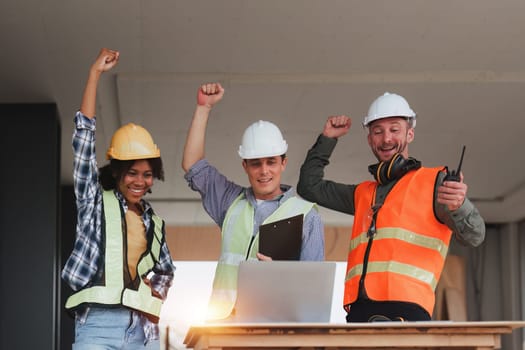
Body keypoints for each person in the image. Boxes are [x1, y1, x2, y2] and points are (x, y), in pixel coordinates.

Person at [297, 92, 485, 322]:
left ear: (410, 133)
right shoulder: (363, 193)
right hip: (360, 314)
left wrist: (460, 205)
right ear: (370, 140)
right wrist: (328, 138)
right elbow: (309, 186)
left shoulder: (434, 182)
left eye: (394, 130)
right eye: (378, 131)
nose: (386, 139)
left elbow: (475, 236)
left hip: (408, 315)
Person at [61, 48, 175, 349]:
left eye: (147, 174)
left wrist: (155, 293)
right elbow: (83, 144)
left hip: (142, 329)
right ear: (117, 172)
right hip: (98, 325)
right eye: (132, 172)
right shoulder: (95, 203)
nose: (140, 181)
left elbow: (166, 270)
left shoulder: (154, 223)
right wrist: (94, 74)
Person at [182, 82, 325, 320]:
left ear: (283, 163)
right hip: (225, 325)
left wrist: (279, 276)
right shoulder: (230, 201)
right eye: (256, 163)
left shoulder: (306, 215)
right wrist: (203, 108)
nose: (264, 171)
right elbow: (193, 165)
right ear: (245, 165)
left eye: (271, 161)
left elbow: (314, 289)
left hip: (276, 328)